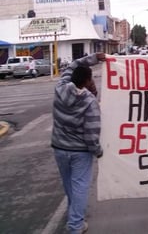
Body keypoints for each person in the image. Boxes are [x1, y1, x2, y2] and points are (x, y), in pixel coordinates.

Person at [51, 52, 106, 233]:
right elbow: (91, 133)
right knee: (80, 187)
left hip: (59, 148)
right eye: (91, 80)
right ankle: (75, 226)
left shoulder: (60, 87)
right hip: (80, 152)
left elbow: (72, 66)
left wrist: (94, 58)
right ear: (88, 81)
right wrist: (97, 151)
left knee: (70, 187)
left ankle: (75, 219)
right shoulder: (90, 102)